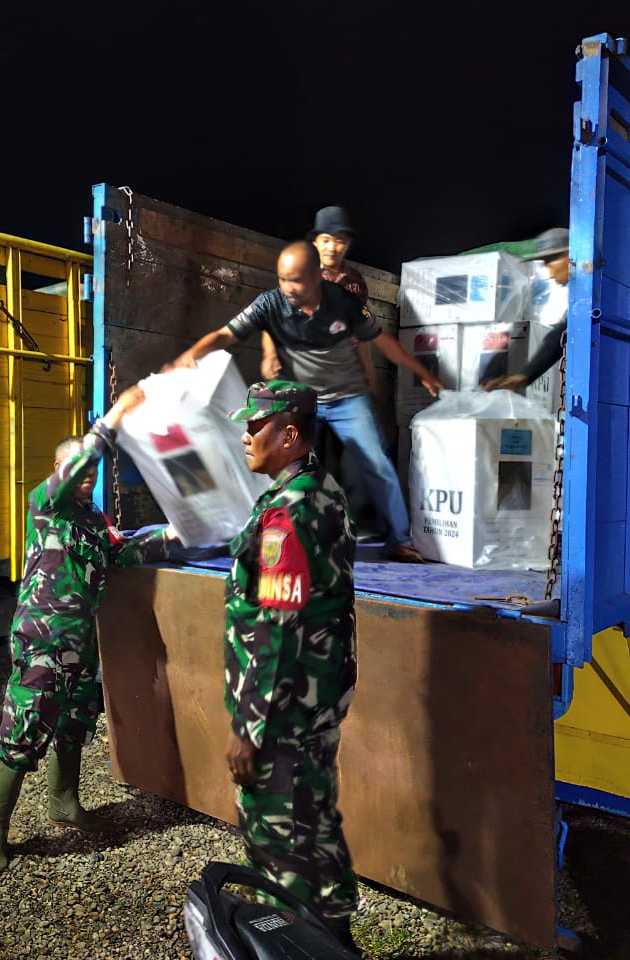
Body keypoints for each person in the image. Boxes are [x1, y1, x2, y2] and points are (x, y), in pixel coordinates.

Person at [0, 386, 178, 875]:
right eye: (80, 468)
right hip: (42, 637)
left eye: (93, 471)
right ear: (60, 470)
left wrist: (170, 536)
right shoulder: (46, 503)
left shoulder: (92, 520)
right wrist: (114, 418)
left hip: (81, 638)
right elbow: (80, 463)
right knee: (26, 725)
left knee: (73, 722)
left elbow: (119, 554)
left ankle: (64, 801)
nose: (89, 475)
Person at [169, 241, 443, 563]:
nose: (288, 287)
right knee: (275, 461)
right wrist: (192, 354)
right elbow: (226, 334)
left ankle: (399, 539)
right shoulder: (271, 302)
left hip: (346, 399)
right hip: (302, 402)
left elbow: (382, 341)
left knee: (376, 464)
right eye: (282, 279)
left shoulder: (345, 303)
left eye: (296, 280)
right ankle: (266, 531)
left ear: (316, 276)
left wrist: (421, 372)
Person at [223, 379, 361, 953]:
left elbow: (278, 627)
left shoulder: (290, 511)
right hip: (315, 697)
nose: (246, 435)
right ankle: (337, 944)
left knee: (279, 844)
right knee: (316, 824)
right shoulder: (322, 490)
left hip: (284, 711)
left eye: (256, 426)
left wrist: (249, 727)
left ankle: (298, 946)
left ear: (289, 436)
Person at [261, 206, 374, 394]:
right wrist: (269, 354)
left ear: (347, 243)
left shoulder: (356, 283)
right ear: (315, 243)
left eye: (339, 241)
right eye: (326, 240)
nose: (332, 248)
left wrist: (369, 375)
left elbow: (362, 333)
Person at [482, 227, 570, 392]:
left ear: (568, 257)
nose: (549, 274)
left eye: (549, 262)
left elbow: (562, 333)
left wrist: (525, 376)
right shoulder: (579, 299)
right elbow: (561, 334)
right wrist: (524, 376)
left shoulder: (594, 296)